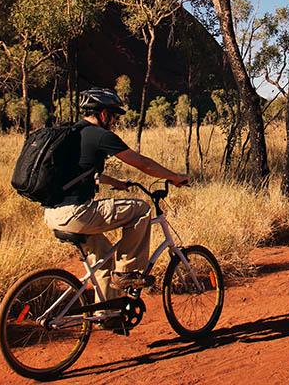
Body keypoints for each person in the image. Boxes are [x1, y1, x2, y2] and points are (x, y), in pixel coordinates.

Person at [43, 86, 189, 306]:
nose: (114, 121)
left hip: (53, 214)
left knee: (103, 258)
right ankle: (127, 273)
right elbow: (143, 163)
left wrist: (117, 183)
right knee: (141, 210)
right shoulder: (100, 135)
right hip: (77, 213)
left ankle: (105, 314)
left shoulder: (73, 133)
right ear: (103, 114)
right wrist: (174, 177)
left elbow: (86, 173)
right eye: (113, 115)